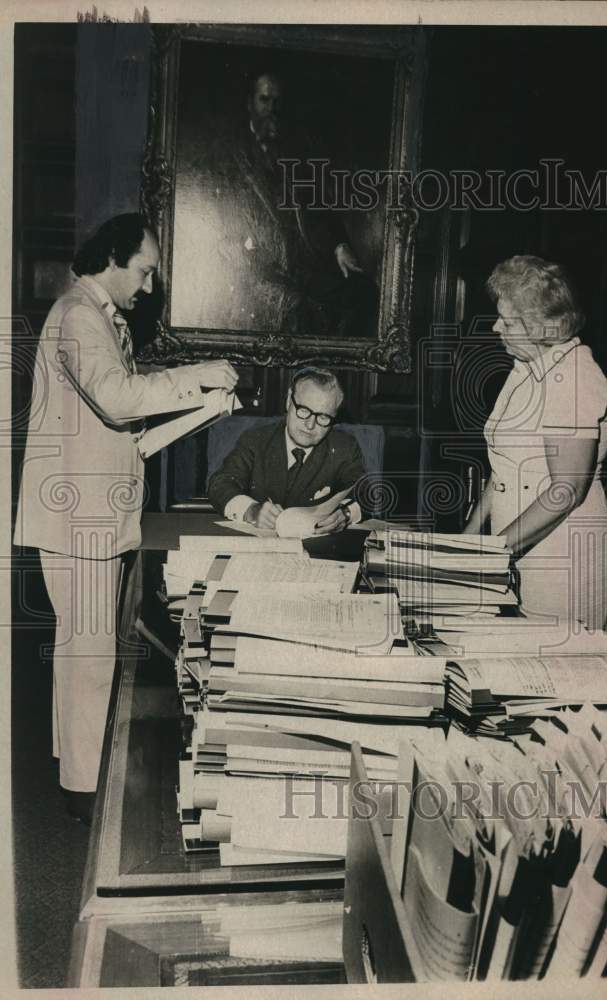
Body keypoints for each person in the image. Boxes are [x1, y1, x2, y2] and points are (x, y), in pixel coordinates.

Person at [13, 213, 239, 823]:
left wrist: (194, 408)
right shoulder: (82, 317)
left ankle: (77, 775)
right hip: (79, 516)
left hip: (87, 511)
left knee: (81, 650)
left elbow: (121, 427)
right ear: (113, 257)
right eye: (144, 271)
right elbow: (117, 401)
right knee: (88, 656)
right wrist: (198, 377)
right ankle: (86, 794)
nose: (148, 286)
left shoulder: (93, 318)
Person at [464, 255, 607, 631]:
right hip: (517, 547)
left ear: (541, 327)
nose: (496, 327)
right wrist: (465, 543)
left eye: (508, 321)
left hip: (563, 555)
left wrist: (492, 554)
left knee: (559, 676)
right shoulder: (525, 369)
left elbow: (566, 490)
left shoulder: (575, 375)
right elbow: (504, 470)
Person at [176, 70, 379, 338]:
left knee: (365, 293)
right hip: (259, 262)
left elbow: (319, 205)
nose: (271, 109)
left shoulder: (296, 147)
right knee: (298, 309)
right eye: (264, 100)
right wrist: (235, 245)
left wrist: (339, 246)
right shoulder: (227, 151)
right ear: (249, 103)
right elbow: (211, 207)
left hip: (305, 259)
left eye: (276, 102)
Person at [208, 367, 365, 534]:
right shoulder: (256, 439)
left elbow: (368, 494)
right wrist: (251, 510)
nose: (310, 425)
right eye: (303, 410)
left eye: (323, 417)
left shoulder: (344, 448)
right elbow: (221, 484)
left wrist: (346, 513)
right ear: (289, 401)